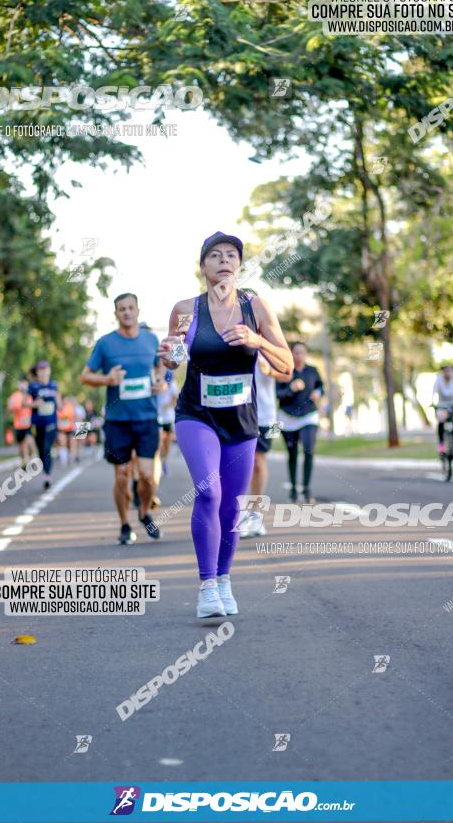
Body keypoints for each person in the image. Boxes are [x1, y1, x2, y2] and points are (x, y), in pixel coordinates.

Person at [158, 232, 293, 618]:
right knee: (209, 494)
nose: (223, 261)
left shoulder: (257, 307)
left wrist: (257, 340)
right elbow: (173, 358)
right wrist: (168, 356)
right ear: (203, 266)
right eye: (214, 255)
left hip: (241, 420)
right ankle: (205, 587)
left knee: (232, 507)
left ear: (239, 264)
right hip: (196, 415)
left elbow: (286, 366)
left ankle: (223, 580)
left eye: (230, 255)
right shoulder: (186, 308)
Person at [81, 292, 163, 545]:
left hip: (147, 418)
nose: (126, 312)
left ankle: (144, 511)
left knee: (148, 477)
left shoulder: (151, 339)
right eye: (121, 309)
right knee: (122, 476)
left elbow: (159, 367)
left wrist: (160, 380)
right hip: (118, 421)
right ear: (116, 314)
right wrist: (107, 379)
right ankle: (125, 524)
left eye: (130, 308)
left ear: (138, 310)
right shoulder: (106, 344)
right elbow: (85, 376)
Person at [238, 354, 291, 538]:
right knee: (239, 464)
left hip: (264, 415)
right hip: (236, 412)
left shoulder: (267, 344)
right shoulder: (230, 338)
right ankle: (238, 512)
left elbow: (287, 373)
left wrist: (268, 370)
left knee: (258, 462)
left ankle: (255, 515)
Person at [276, 342, 324, 504]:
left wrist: (318, 392)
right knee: (292, 453)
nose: (299, 355)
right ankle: (293, 490)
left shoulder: (312, 371)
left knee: (309, 450)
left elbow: (320, 386)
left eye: (302, 352)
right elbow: (278, 394)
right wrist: (291, 389)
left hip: (309, 416)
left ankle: (306, 489)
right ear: (291, 354)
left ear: (306, 354)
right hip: (287, 417)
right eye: (296, 352)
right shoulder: (285, 371)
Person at [28, 360, 62, 488]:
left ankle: (48, 475)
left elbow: (59, 403)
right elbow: (24, 403)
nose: (44, 373)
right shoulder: (33, 386)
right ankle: (46, 472)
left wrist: (60, 405)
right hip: (37, 424)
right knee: (41, 449)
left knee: (47, 448)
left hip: (51, 422)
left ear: (49, 371)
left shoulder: (54, 385)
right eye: (41, 370)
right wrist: (34, 404)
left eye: (46, 370)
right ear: (37, 372)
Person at [7, 376, 35, 468]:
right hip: (18, 424)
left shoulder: (31, 395)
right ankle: (24, 462)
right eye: (21, 383)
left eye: (25, 383)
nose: (23, 385)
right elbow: (10, 408)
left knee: (28, 440)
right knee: (21, 444)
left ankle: (30, 459)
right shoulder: (14, 396)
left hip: (29, 423)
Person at [156, 370, 178, 476]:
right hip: (158, 418)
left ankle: (164, 461)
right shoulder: (157, 381)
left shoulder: (173, 384)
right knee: (160, 441)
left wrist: (166, 406)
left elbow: (175, 401)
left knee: (167, 443)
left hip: (168, 418)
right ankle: (159, 463)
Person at [57, 396, 76, 465]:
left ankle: (72, 459)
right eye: (64, 400)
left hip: (70, 429)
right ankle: (64, 459)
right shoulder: (58, 407)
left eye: (66, 400)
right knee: (63, 442)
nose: (65, 401)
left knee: (72, 443)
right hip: (61, 429)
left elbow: (74, 416)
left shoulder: (71, 406)